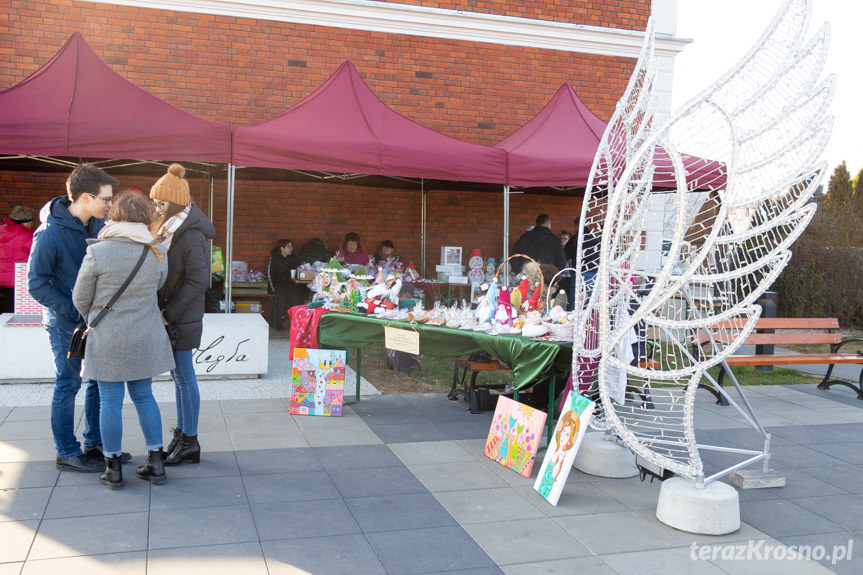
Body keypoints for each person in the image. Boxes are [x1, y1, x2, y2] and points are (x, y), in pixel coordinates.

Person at [72, 193, 174, 489]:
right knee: (144, 396)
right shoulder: (156, 250)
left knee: (109, 401)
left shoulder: (99, 251)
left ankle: (112, 467)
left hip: (108, 337)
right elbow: (158, 286)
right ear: (146, 217)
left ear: (113, 215)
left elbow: (80, 297)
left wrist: (95, 317)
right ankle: (156, 462)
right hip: (145, 334)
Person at [28, 163, 120, 472]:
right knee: (68, 383)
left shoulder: (99, 225)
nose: (109, 205)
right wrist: (73, 311)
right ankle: (66, 451)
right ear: (84, 197)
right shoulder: (49, 232)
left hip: (94, 321)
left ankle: (93, 443)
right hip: (65, 323)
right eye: (105, 199)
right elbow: (36, 283)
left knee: (95, 381)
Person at [150, 163, 215, 467]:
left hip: (180, 317)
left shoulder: (189, 235)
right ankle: (183, 435)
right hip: (174, 315)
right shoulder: (171, 228)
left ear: (174, 203)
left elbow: (198, 281)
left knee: (184, 377)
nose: (155, 206)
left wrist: (168, 313)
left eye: (160, 202)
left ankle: (190, 440)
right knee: (179, 377)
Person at [0, 204, 36, 313]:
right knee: (12, 312)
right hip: (16, 282)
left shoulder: (1, 230)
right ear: (27, 221)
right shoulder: (28, 236)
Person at [268, 238, 300, 331]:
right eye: (288, 247)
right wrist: (272, 289)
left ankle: (296, 322)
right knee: (281, 298)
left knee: (295, 298)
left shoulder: (293, 257)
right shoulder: (274, 258)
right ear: (282, 248)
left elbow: (297, 270)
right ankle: (280, 322)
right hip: (279, 284)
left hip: (290, 283)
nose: (291, 248)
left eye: (291, 246)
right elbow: (270, 273)